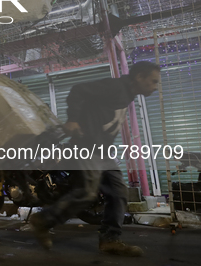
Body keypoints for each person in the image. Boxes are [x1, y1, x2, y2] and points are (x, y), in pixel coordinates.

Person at [30, 61, 161, 257]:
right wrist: (73, 119)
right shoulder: (115, 87)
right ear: (139, 77)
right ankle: (43, 221)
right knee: (87, 193)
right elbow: (78, 90)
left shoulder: (128, 95)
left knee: (119, 193)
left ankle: (110, 240)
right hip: (85, 146)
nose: (155, 86)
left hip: (103, 152)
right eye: (153, 81)